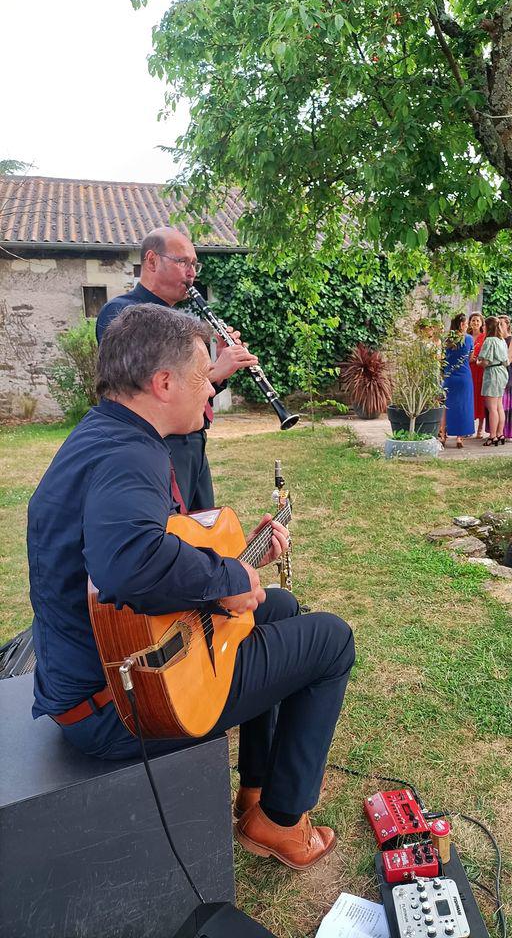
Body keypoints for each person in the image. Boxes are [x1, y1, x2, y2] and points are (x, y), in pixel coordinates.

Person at [28, 304, 355, 870]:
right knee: (331, 640)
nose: (212, 391)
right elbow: (128, 562)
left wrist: (235, 558)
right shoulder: (133, 455)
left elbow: (149, 543)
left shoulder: (103, 434)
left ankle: (255, 792)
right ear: (163, 383)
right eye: (204, 377)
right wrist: (227, 577)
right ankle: (280, 821)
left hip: (98, 676)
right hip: (120, 706)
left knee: (278, 607)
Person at [96, 226, 258, 512]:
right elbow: (151, 385)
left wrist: (220, 369)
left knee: (205, 527)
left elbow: (190, 385)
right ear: (151, 261)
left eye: (194, 263)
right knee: (173, 528)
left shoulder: (179, 319)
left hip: (192, 443)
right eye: (182, 261)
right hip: (157, 447)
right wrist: (216, 370)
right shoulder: (123, 314)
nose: (191, 272)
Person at [441, 313, 475, 448]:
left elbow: (443, 357)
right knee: (463, 405)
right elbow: (470, 357)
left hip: (449, 375)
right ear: (462, 324)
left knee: (446, 405)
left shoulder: (448, 339)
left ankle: (442, 434)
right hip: (464, 375)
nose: (467, 326)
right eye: (466, 323)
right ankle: (459, 437)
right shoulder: (469, 339)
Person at [479, 316, 510, 445]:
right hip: (502, 372)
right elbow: (506, 360)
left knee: (492, 408)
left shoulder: (489, 341)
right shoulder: (501, 340)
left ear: (488, 326)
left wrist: (478, 362)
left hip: (492, 373)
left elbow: (485, 361)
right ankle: (500, 433)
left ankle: (492, 436)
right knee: (499, 406)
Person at [499, 315, 512, 440]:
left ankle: (507, 431)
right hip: (496, 372)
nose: (499, 326)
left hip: (506, 372)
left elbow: (508, 357)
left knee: (506, 402)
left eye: (501, 323)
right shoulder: (495, 339)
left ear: (507, 325)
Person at [468, 314, 487, 439]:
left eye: (477, 320)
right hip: (468, 370)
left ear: (481, 323)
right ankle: (469, 427)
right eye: (473, 320)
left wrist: (478, 359)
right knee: (469, 398)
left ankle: (480, 428)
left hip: (480, 369)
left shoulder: (484, 337)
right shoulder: (466, 336)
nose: (475, 323)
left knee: (480, 398)